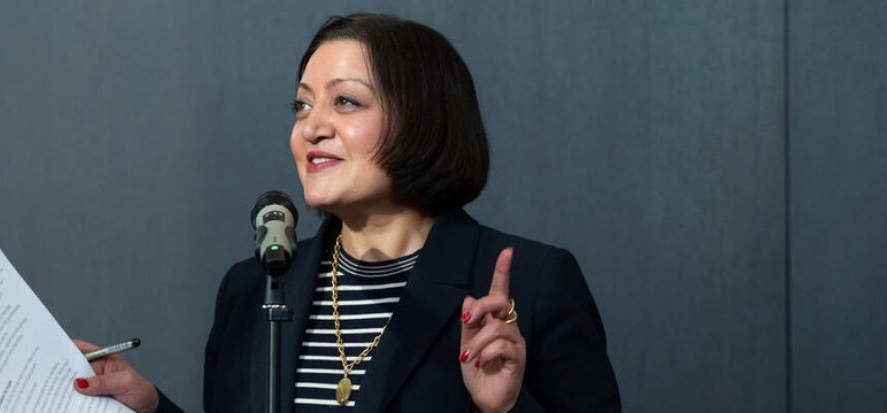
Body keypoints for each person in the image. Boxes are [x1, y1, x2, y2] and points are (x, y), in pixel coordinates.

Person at [72, 13, 620, 412]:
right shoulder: (254, 287)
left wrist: (506, 410)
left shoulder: (533, 284)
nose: (312, 127)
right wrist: (146, 407)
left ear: (422, 120)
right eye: (302, 105)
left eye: (346, 102)